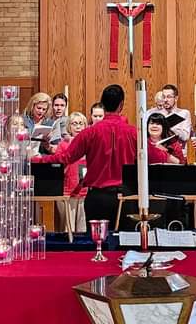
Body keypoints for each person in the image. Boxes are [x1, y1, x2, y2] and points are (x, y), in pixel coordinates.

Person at [36, 84, 167, 230]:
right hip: (125, 198)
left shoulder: (89, 132)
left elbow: (65, 157)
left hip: (97, 198)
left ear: (103, 105)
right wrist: (168, 153)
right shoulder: (134, 133)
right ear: (121, 105)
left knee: (97, 244)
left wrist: (38, 160)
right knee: (123, 245)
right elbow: (157, 157)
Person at [58, 111, 89, 232]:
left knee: (82, 226)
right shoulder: (63, 144)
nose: (78, 127)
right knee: (68, 227)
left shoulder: (90, 143)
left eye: (81, 123)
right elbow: (59, 166)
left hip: (85, 191)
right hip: (68, 190)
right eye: (74, 124)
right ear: (69, 127)